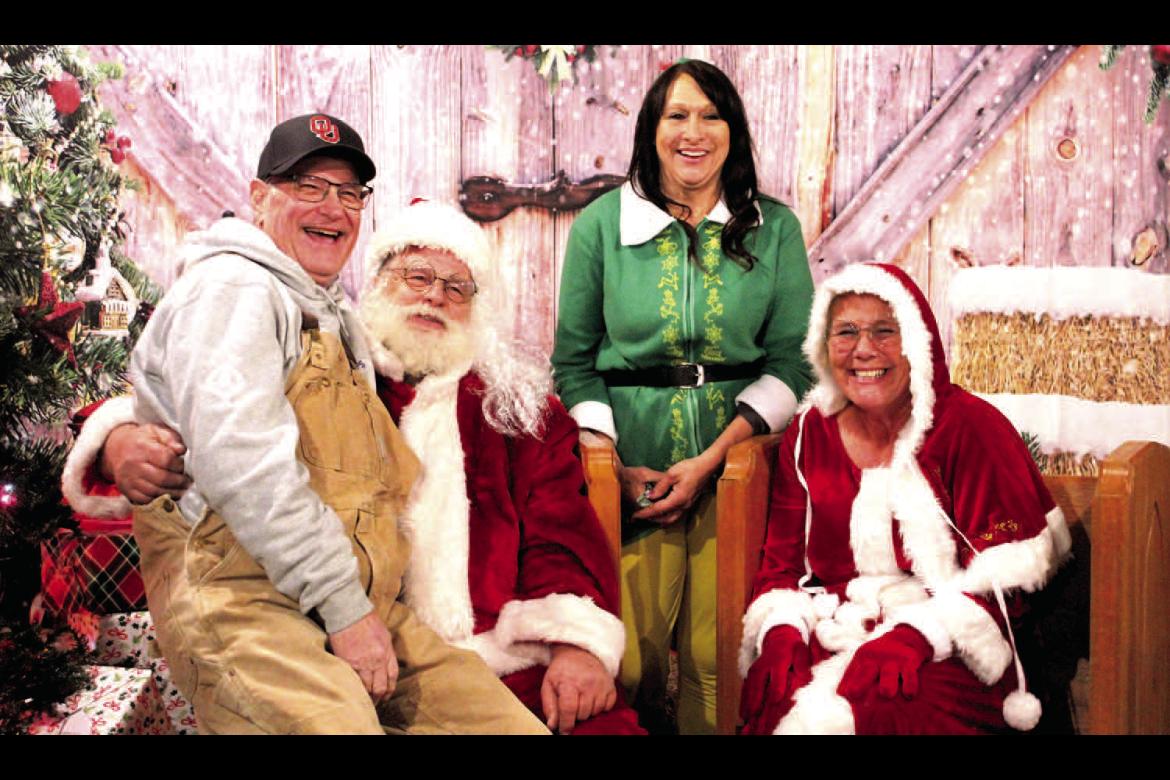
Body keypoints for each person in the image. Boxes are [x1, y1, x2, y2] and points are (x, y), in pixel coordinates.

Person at [65, 199, 643, 735]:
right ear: (378, 283)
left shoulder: (515, 409)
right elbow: (207, 403)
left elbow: (560, 537)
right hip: (315, 626)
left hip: (496, 657)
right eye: (416, 276)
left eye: (456, 286)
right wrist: (119, 440)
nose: (434, 297)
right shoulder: (329, 357)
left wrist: (575, 645)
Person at [550, 59, 815, 734]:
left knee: (716, 658)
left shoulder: (774, 228)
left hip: (739, 465)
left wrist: (716, 461)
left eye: (710, 115)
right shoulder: (600, 226)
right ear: (652, 129)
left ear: (733, 131)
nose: (693, 132)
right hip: (630, 469)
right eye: (677, 115)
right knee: (627, 656)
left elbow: (794, 363)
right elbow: (573, 366)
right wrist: (609, 462)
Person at [737, 262, 1072, 735]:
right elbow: (782, 566)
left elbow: (1009, 580)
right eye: (846, 332)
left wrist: (919, 634)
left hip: (954, 647)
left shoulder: (969, 427)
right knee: (774, 701)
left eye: (884, 331)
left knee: (880, 707)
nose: (863, 350)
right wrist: (781, 631)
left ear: (917, 341)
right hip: (839, 623)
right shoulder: (808, 431)